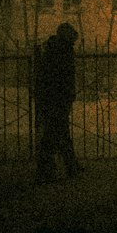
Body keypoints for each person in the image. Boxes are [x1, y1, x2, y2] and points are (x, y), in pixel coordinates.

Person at [35, 22, 80, 182]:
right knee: (55, 133)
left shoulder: (53, 48)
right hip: (57, 98)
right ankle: (57, 167)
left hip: (53, 97)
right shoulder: (62, 50)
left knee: (57, 132)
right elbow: (62, 76)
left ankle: (66, 165)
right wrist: (67, 93)